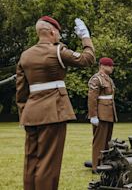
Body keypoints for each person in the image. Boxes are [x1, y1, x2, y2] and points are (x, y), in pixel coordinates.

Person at [16, 16, 95, 189]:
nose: (59, 36)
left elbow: (21, 91)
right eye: (58, 32)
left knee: (31, 160)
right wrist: (85, 37)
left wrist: (23, 115)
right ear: (52, 32)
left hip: (31, 114)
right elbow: (87, 59)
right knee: (48, 162)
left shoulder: (25, 55)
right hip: (53, 112)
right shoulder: (57, 50)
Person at [87, 57, 117, 173]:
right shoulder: (96, 79)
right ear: (102, 66)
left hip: (109, 113)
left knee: (107, 141)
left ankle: (104, 164)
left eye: (112, 65)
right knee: (99, 141)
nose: (112, 67)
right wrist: (93, 115)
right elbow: (92, 99)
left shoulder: (108, 79)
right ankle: (96, 166)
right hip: (101, 114)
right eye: (109, 65)